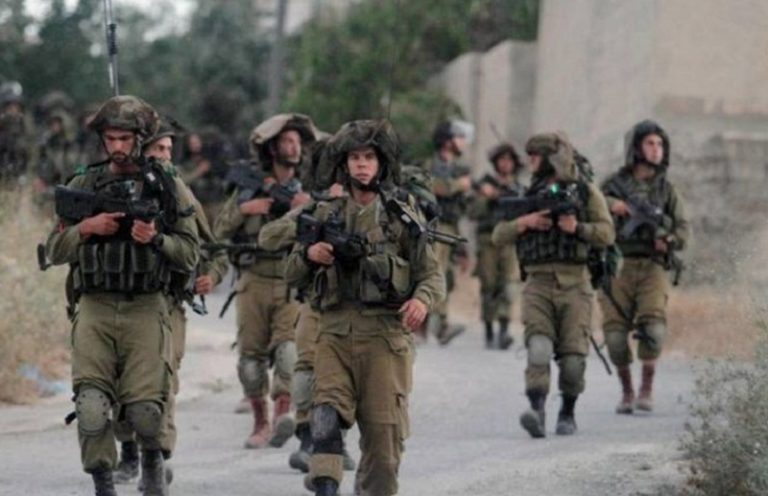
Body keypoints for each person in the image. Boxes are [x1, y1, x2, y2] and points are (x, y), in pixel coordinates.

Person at [45, 95, 199, 496]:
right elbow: (52, 251)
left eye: (124, 139)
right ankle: (103, 483)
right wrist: (85, 229)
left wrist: (157, 239)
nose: (116, 146)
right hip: (94, 307)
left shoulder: (168, 186)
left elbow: (190, 254)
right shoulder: (83, 185)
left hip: (146, 307)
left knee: (146, 411)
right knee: (91, 407)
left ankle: (152, 465)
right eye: (110, 138)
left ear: (140, 139)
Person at [285, 120, 445, 496]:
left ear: (381, 163)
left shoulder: (401, 215)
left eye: (369, 157)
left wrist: (421, 301)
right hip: (335, 334)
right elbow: (291, 273)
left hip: (385, 339)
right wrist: (309, 255)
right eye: (355, 157)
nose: (361, 164)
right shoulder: (325, 213)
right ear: (344, 164)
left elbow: (432, 275)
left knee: (384, 452)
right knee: (325, 419)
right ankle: (325, 486)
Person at [112, 121, 228, 488]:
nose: (164, 156)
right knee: (121, 381)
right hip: (126, 302)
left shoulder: (181, 193)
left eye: (168, 150)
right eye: (157, 149)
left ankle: (157, 456)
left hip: (170, 302)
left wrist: (212, 275)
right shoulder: (116, 187)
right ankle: (128, 449)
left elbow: (212, 248)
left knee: (164, 383)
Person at [492, 132, 614, 438]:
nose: (530, 161)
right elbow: (498, 235)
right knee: (538, 347)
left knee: (572, 359)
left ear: (551, 159)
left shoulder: (585, 192)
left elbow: (607, 234)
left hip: (576, 284)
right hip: (538, 282)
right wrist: (525, 223)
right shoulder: (527, 195)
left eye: (536, 156)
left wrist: (578, 228)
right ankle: (537, 410)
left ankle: (567, 412)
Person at [213, 113, 317, 449]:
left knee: (288, 351)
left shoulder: (305, 191)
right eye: (287, 141)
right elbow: (219, 230)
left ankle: (282, 415)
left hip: (290, 280)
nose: (294, 147)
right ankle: (260, 423)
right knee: (251, 360)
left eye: (297, 142)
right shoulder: (247, 189)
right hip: (253, 279)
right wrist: (246, 210)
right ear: (273, 149)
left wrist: (307, 208)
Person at [599, 120, 691, 414]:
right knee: (615, 336)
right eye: (650, 143)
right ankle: (626, 391)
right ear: (636, 148)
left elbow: (684, 229)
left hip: (653, 266)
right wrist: (613, 205)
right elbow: (591, 207)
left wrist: (670, 240)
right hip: (618, 265)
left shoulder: (666, 190)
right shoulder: (613, 185)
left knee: (653, 328)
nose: (656, 149)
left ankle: (646, 389)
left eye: (660, 144)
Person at [468, 142, 525, 349]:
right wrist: (486, 197)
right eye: (502, 159)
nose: (505, 164)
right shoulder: (485, 184)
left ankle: (504, 330)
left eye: (509, 160)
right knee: (489, 285)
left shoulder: (518, 188)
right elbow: (472, 212)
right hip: (488, 241)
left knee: (509, 286)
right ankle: (489, 329)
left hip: (510, 242)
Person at [422, 119, 474, 345]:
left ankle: (439, 324)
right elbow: (433, 187)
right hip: (434, 227)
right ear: (446, 142)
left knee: (447, 276)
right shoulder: (431, 165)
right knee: (434, 273)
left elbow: (461, 208)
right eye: (458, 137)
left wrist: (462, 247)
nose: (463, 142)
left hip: (450, 226)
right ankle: (432, 325)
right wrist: (457, 185)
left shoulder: (458, 168)